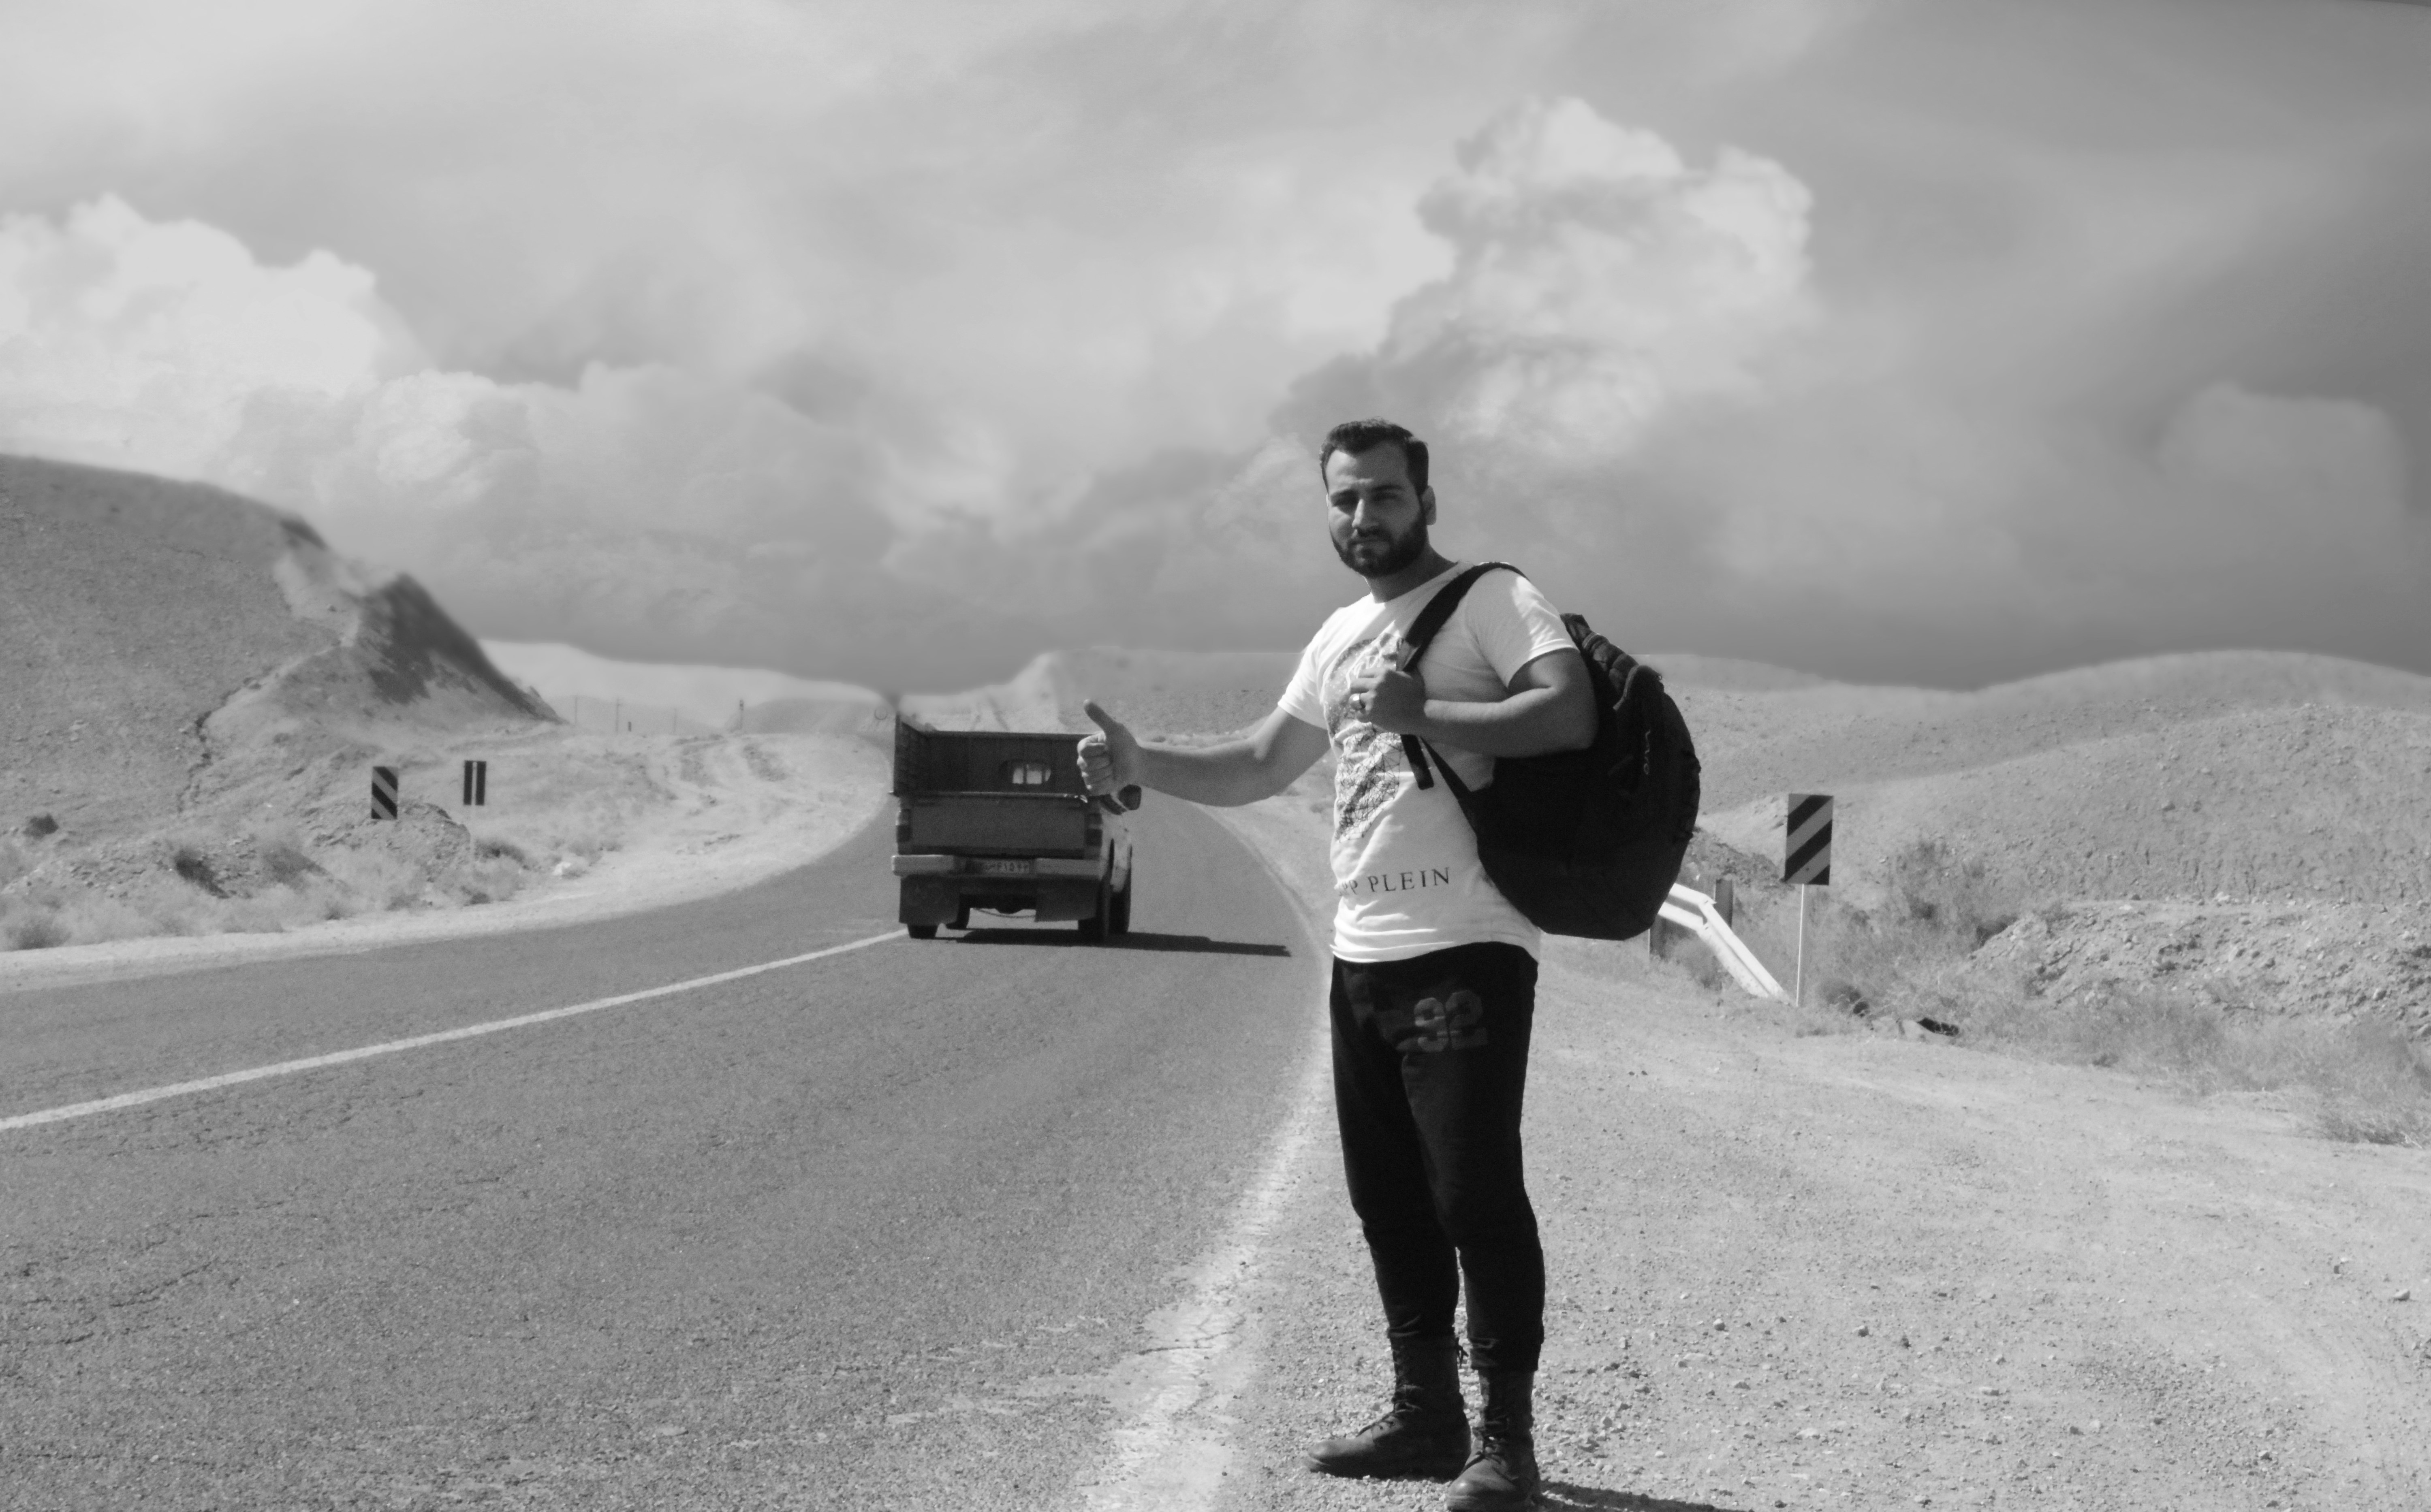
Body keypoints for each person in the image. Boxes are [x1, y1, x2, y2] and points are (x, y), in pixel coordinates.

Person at [1079, 418, 1594, 1511]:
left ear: (1426, 501)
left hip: (1468, 945)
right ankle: (1424, 1415)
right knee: (1389, 1197)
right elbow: (1264, 762)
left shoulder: (1493, 600)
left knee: (1472, 1188)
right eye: (1346, 500)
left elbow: (1566, 710)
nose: (1365, 518)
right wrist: (1143, 764)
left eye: (1385, 497)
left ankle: (1507, 1441)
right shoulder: (1340, 632)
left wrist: (1429, 711)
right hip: (1363, 954)